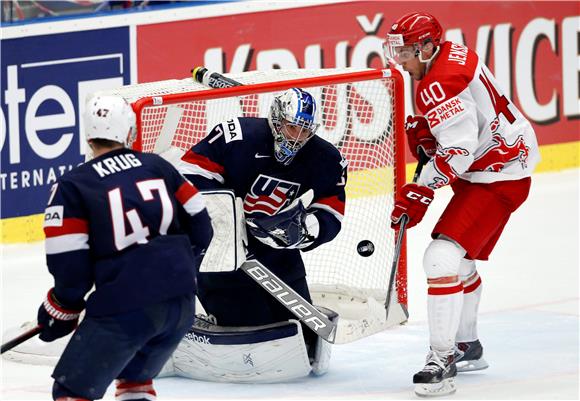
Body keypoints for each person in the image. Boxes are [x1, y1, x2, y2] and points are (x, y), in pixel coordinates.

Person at [384, 12, 540, 397]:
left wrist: (421, 188)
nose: (399, 59)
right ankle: (468, 345)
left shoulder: (440, 81)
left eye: (405, 52)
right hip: (496, 165)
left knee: (441, 258)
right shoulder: (450, 54)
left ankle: (443, 357)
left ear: (425, 47)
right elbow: (464, 124)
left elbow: (458, 150)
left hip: (496, 175)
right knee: (461, 261)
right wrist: (430, 132)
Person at [37, 95, 213, 401]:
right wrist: (174, 270)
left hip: (127, 308)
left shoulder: (73, 185)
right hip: (181, 306)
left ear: (88, 136)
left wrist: (61, 307)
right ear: (130, 132)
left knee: (71, 390)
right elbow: (202, 223)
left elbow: (70, 265)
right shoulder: (158, 165)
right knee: (134, 382)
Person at [171, 87, 347, 380]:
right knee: (256, 332)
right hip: (222, 253)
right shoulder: (237, 135)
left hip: (275, 253)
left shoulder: (325, 157)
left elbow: (332, 207)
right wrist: (226, 214)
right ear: (277, 120)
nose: (297, 138)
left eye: (305, 131)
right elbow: (190, 173)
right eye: (292, 127)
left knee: (302, 333)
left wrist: (306, 229)